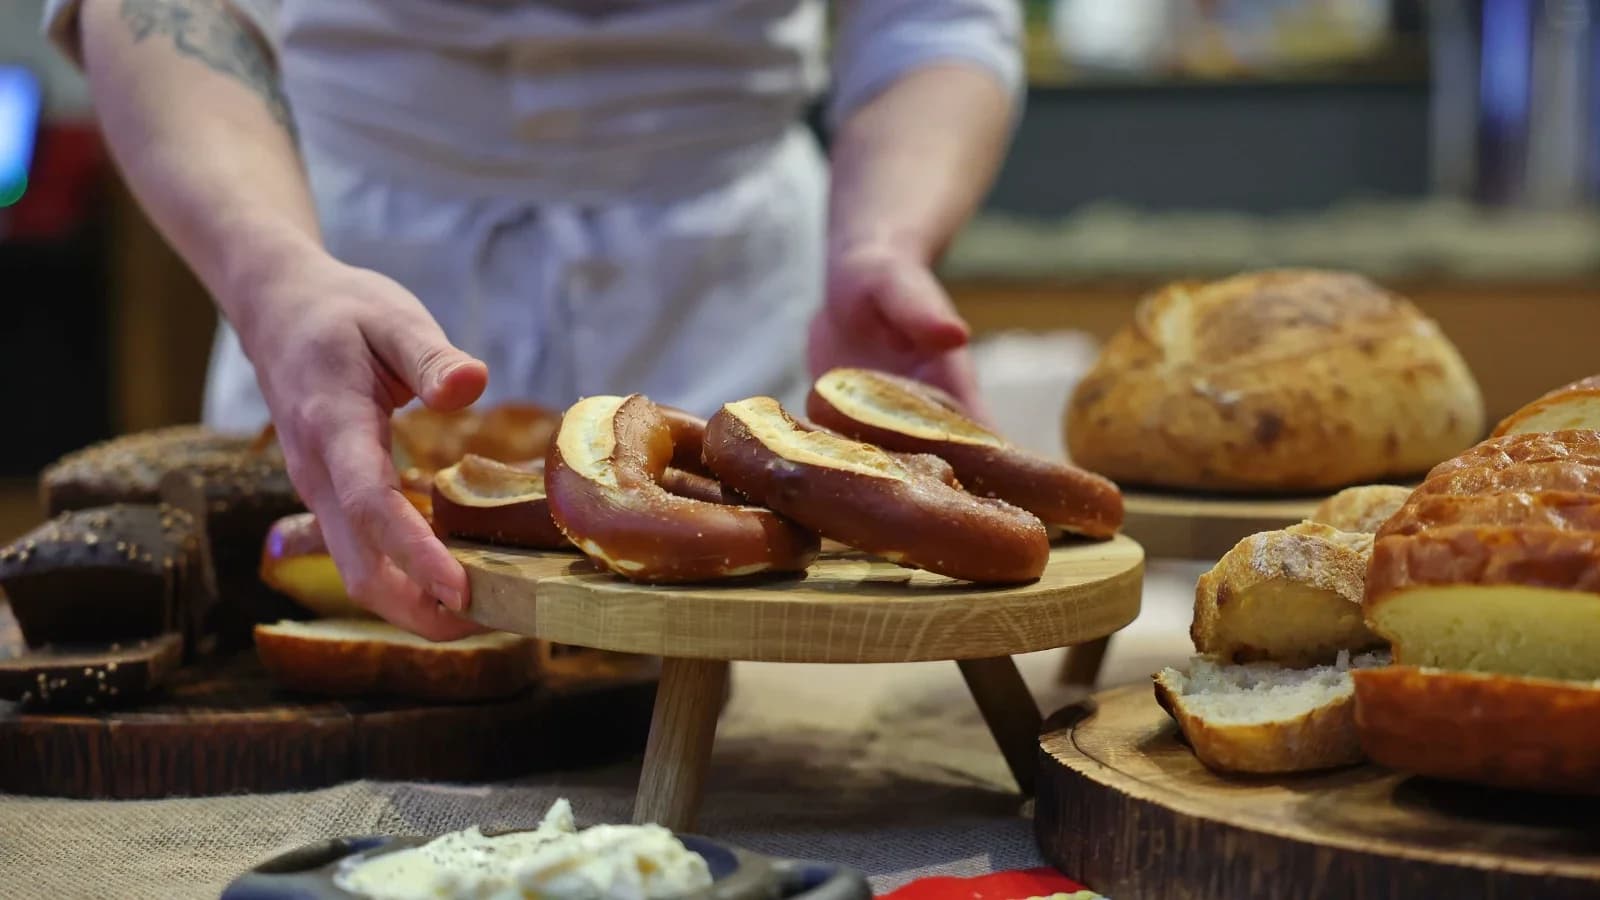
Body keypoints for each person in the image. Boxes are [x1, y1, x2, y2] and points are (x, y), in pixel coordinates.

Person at [43, 0, 1022, 639]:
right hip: (333, 273)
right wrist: (271, 276)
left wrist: (884, 239)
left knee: (769, 723)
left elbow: (933, 20)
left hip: (733, 291)